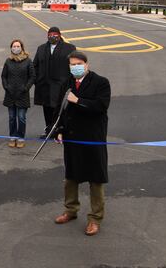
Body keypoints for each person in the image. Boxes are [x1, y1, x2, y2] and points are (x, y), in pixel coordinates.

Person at [54, 51, 111, 237]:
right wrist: (59, 130)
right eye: (71, 64)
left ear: (86, 64)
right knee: (71, 176)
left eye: (78, 64)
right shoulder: (66, 84)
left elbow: (101, 107)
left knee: (96, 179)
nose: (75, 67)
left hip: (92, 138)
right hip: (72, 138)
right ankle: (70, 210)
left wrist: (78, 100)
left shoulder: (101, 82)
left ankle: (95, 218)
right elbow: (60, 110)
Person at [33, 26, 76, 138]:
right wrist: (37, 80)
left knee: (60, 109)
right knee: (46, 108)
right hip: (44, 85)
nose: (52, 37)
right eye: (50, 35)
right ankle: (49, 130)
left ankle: (60, 131)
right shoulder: (41, 48)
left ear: (59, 35)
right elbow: (35, 65)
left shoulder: (69, 48)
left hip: (61, 85)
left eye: (55, 34)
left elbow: (74, 65)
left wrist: (71, 83)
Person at [1, 39, 35, 148]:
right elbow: (3, 76)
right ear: (11, 48)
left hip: (22, 95)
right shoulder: (8, 61)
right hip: (10, 94)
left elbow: (32, 76)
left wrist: (26, 88)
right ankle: (13, 136)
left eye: (18, 46)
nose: (16, 48)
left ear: (22, 47)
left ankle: (20, 137)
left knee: (21, 117)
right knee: (11, 117)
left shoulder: (28, 61)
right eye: (14, 46)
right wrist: (6, 87)